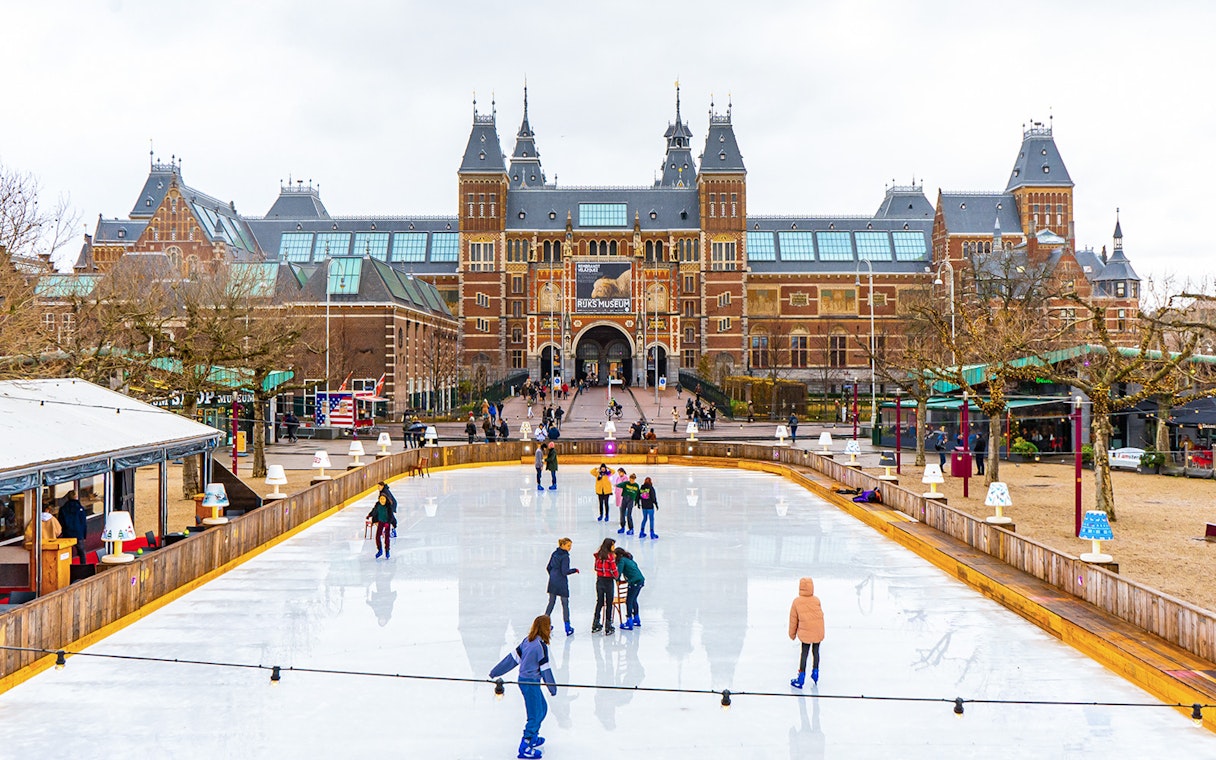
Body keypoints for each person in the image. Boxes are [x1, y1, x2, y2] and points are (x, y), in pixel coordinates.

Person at [489, 615, 558, 759]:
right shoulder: (540, 646)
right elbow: (545, 670)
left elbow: (511, 660)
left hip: (526, 681)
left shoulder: (528, 641)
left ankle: (533, 737)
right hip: (530, 684)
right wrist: (552, 688)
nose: (551, 630)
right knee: (534, 715)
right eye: (549, 627)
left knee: (542, 709)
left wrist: (495, 672)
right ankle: (525, 746)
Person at [789, 576, 825, 687]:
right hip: (818, 630)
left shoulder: (796, 602)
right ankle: (815, 672)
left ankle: (801, 677)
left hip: (806, 632)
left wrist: (792, 634)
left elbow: (793, 620)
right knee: (816, 652)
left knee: (804, 653)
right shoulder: (816, 600)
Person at [545, 538, 579, 636]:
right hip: (561, 582)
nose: (570, 548)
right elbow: (565, 571)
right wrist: (574, 570)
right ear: (562, 545)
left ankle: (545, 624)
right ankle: (567, 627)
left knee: (551, 602)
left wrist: (552, 576)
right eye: (568, 546)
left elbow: (548, 567)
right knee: (565, 603)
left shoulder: (554, 553)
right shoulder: (565, 557)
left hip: (552, 580)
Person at [614, 547, 645, 630]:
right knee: (634, 599)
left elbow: (618, 572)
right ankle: (636, 619)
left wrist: (617, 579)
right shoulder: (629, 559)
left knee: (629, 601)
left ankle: (629, 621)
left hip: (634, 582)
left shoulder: (622, 560)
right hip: (640, 580)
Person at [591, 538, 618, 635]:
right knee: (609, 603)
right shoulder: (610, 557)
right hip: (608, 582)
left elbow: (596, 568)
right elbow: (614, 571)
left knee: (600, 602)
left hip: (599, 581)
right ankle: (608, 625)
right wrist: (616, 576)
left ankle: (596, 623)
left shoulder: (598, 556)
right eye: (613, 545)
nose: (614, 547)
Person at [57, 491, 88, 563]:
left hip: (67, 533)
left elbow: (60, 522)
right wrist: (84, 535)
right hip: (78, 534)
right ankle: (83, 568)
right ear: (76, 497)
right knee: (82, 552)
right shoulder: (80, 508)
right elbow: (83, 523)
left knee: (66, 552)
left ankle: (67, 568)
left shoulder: (63, 509)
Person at [366, 489, 396, 559]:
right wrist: (369, 515)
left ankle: (387, 550)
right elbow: (374, 511)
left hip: (387, 523)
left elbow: (391, 516)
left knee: (387, 538)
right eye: (381, 499)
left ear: (386, 499)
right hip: (381, 522)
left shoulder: (388, 506)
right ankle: (380, 550)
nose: (382, 501)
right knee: (377, 536)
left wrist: (388, 523)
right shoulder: (378, 505)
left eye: (383, 499)